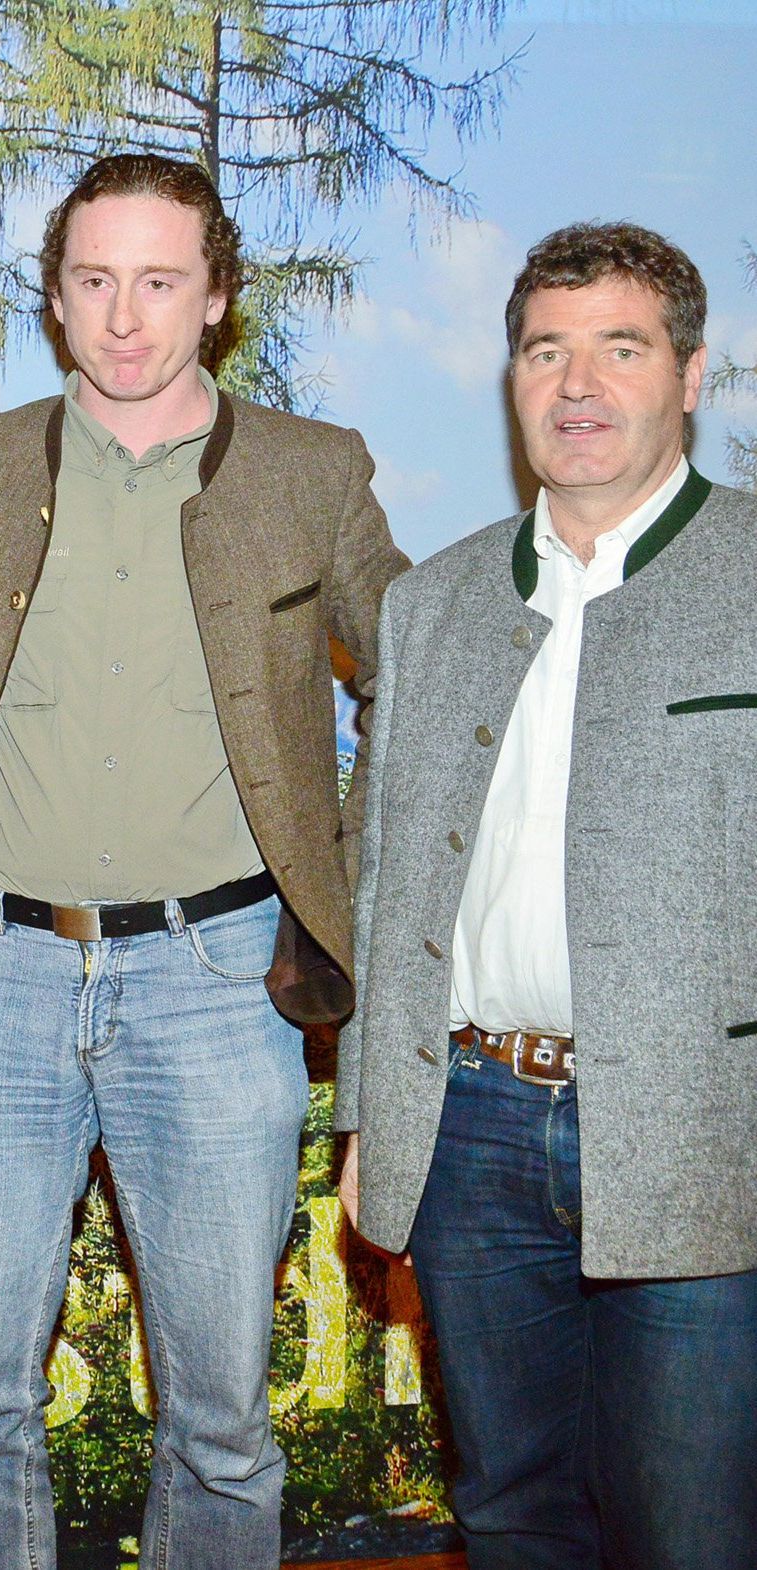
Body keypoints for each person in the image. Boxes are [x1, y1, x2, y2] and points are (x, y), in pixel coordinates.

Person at [0, 153, 408, 1569]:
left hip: (217, 984)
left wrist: (345, 871)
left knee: (221, 1419)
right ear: (54, 302)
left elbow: (424, 674)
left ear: (218, 298)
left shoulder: (315, 472)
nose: (126, 317)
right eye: (93, 281)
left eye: (160, 281)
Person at [338, 221, 756, 1568]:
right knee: (509, 1512)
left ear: (688, 376)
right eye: (543, 352)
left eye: (617, 349)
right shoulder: (433, 601)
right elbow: (383, 878)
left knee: (690, 1527)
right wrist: (371, 1117)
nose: (575, 385)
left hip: (705, 1138)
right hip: (468, 1135)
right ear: (509, 378)